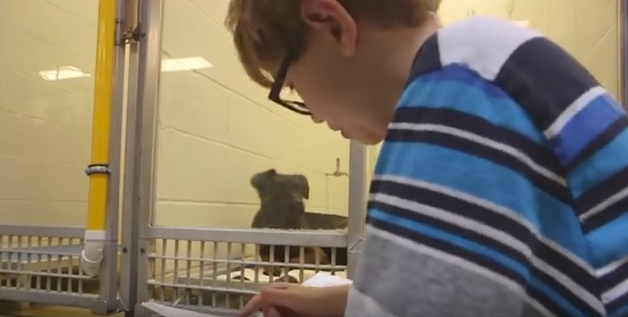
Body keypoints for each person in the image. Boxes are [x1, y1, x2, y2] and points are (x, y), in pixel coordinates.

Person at [226, 0, 628, 316]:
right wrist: (337, 300)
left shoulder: (451, 96)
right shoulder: (483, 64)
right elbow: (463, 291)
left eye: (291, 84)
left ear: (331, 23)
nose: (312, 113)